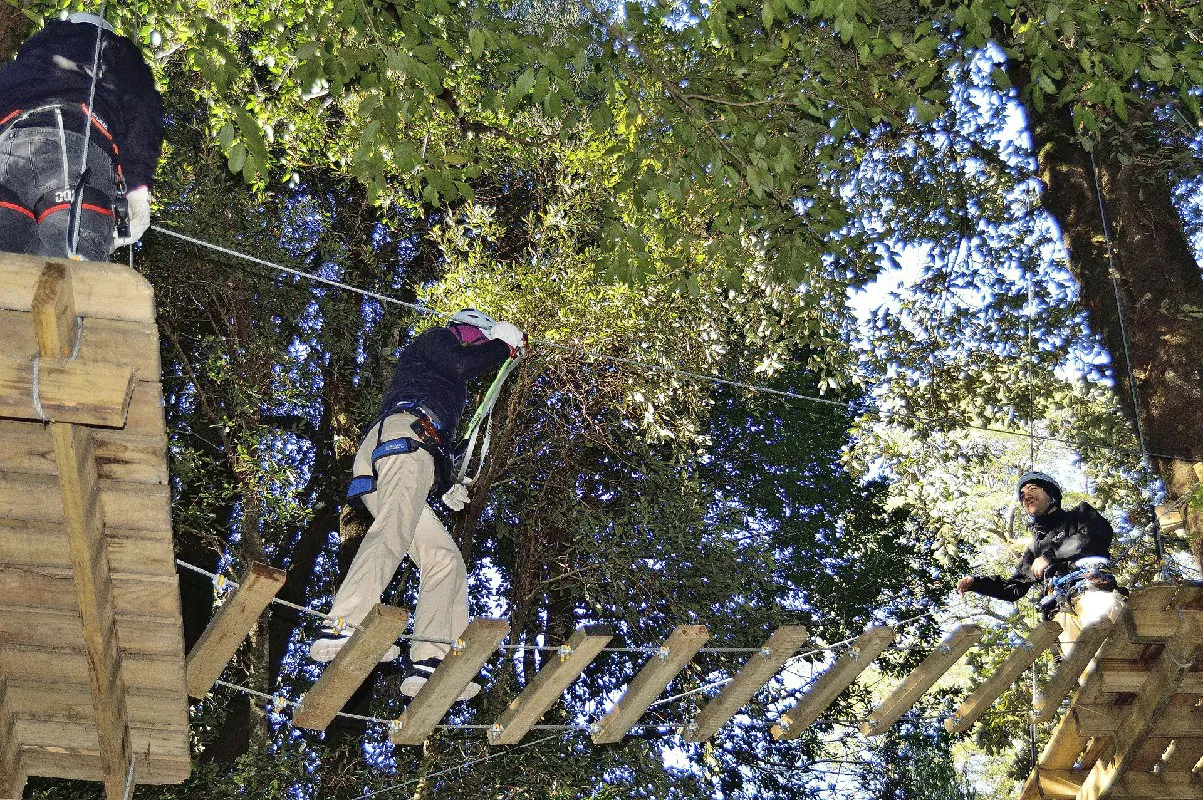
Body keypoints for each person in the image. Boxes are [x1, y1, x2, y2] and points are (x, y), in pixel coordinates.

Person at [310, 310, 525, 701]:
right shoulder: (436, 340)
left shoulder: (441, 387)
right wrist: (501, 346)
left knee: (444, 559)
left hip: (406, 450)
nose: (479, 344)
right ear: (467, 328)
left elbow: (439, 440)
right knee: (393, 529)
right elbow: (462, 363)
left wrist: (444, 485)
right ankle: (344, 624)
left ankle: (431, 658)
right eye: (480, 336)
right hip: (403, 439)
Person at [0, 12, 163, 261]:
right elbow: (142, 109)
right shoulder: (115, 51)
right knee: (76, 270)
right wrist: (137, 187)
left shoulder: (30, 57)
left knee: (10, 273)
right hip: (70, 139)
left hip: (7, 146)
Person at [957, 472, 1125, 648]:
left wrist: (1049, 556)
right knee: (1082, 662)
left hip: (1092, 592)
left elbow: (1095, 535)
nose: (1026, 495)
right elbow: (1013, 588)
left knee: (1112, 643)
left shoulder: (1080, 515)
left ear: (1051, 495)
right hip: (1060, 612)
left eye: (1033, 489)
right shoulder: (1034, 550)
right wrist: (976, 583)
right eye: (1022, 495)